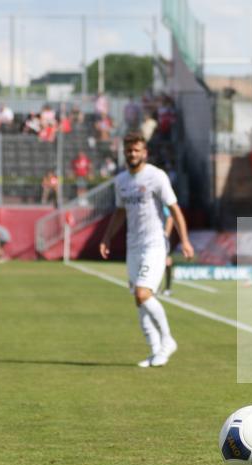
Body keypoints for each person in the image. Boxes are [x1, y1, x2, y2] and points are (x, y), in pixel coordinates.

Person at [99, 132, 194, 368]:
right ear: (124, 153)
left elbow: (174, 209)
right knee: (138, 300)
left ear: (145, 152)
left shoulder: (156, 176)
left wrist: (185, 240)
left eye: (137, 150)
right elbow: (120, 212)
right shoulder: (121, 181)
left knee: (143, 293)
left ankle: (168, 340)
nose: (133, 154)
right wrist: (107, 237)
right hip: (134, 245)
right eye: (129, 150)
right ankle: (154, 351)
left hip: (154, 243)